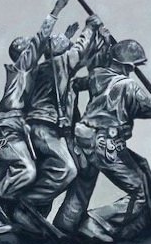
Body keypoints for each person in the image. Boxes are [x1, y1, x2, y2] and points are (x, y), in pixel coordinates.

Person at [53, 39, 151, 237]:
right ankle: (95, 221)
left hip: (83, 138)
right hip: (107, 144)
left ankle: (63, 227)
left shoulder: (96, 75)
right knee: (140, 192)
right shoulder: (129, 86)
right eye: (134, 66)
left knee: (83, 185)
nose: (134, 69)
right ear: (127, 65)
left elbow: (75, 85)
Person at [0, 0, 69, 234]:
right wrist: (55, 12)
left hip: (16, 126)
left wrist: (68, 38)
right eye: (28, 46)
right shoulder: (22, 67)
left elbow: (51, 49)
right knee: (26, 170)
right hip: (6, 127)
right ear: (22, 53)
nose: (33, 47)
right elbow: (41, 41)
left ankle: (6, 208)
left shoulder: (30, 72)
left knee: (25, 170)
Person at [22, 15, 105, 217]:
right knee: (66, 169)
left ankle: (39, 216)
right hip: (44, 128)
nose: (69, 48)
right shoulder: (58, 65)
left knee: (66, 169)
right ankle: (25, 204)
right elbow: (79, 51)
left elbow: (83, 60)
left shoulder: (49, 68)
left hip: (50, 130)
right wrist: (90, 28)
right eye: (65, 46)